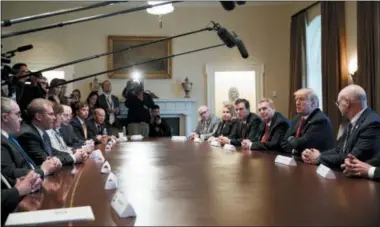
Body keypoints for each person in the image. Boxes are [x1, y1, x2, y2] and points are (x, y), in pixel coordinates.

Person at [302, 85, 380, 169]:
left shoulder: (371, 123)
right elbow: (339, 150)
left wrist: (318, 158)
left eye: (338, 103)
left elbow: (352, 158)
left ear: (347, 102)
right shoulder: (352, 122)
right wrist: (315, 155)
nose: (338, 106)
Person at [1, 97, 59, 184]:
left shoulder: (9, 138)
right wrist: (42, 170)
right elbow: (9, 172)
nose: (21, 119)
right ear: (5, 117)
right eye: (18, 115)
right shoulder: (3, 141)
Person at [16, 98, 86, 166]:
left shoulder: (42, 131)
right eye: (51, 114)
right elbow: (46, 160)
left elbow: (52, 152)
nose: (54, 118)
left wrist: (75, 153)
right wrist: (74, 158)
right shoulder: (28, 135)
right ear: (38, 116)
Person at [281, 88, 335, 155]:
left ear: (313, 103)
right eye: (296, 100)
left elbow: (303, 144)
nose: (297, 103)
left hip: (317, 163)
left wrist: (292, 141)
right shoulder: (297, 118)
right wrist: (294, 150)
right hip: (298, 158)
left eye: (301, 99)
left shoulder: (320, 120)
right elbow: (283, 142)